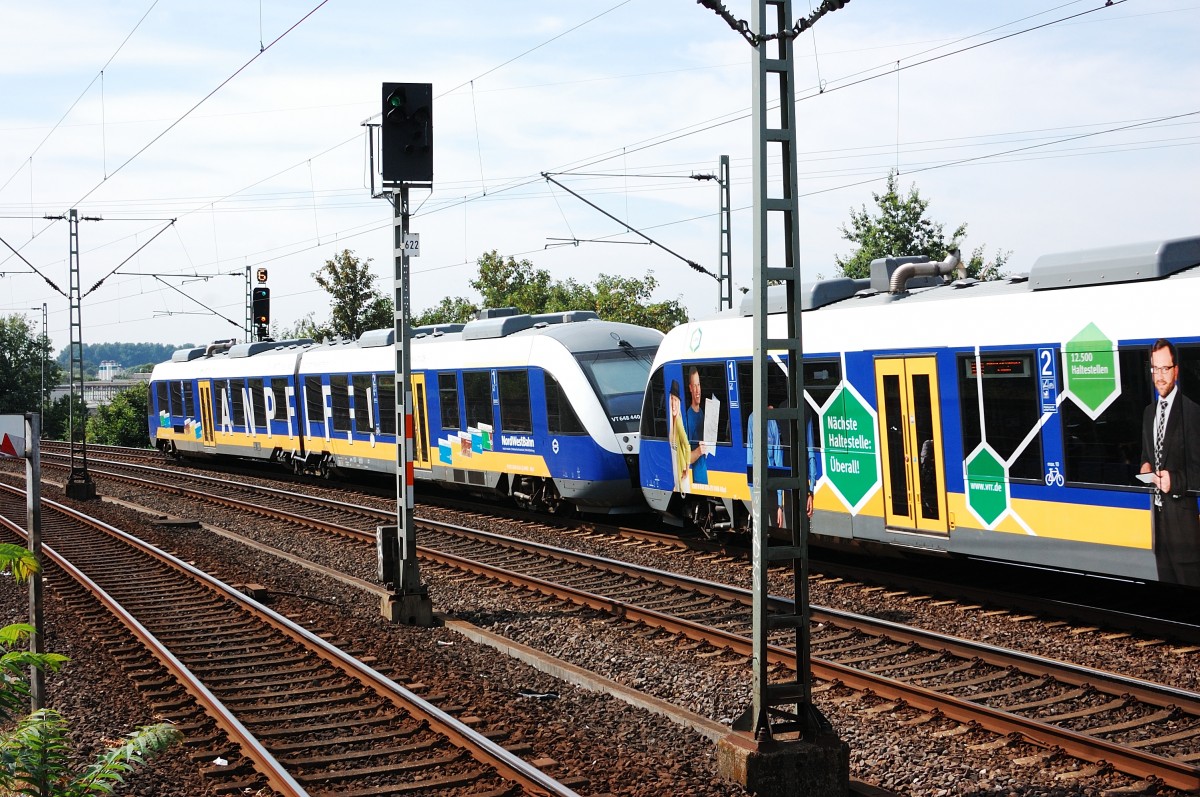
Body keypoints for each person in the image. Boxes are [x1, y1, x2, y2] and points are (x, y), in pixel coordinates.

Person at [1139, 339, 1200, 587]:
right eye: (1155, 369)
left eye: (1165, 368)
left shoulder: (1192, 413)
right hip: (1159, 527)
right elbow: (1147, 456)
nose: (1160, 376)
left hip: (1184, 530)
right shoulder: (1148, 413)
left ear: (1176, 370)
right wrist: (1145, 467)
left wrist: (1174, 480)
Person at [684, 366, 708, 485]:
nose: (698, 390)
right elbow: (685, 457)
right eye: (694, 386)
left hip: (704, 474)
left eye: (699, 385)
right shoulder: (688, 417)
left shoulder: (701, 412)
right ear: (690, 388)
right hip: (697, 479)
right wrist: (699, 451)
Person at [668, 379, 691, 493]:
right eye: (672, 399)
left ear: (679, 403)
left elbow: (687, 445)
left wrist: (687, 468)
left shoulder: (678, 422)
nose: (673, 403)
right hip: (676, 472)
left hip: (681, 473)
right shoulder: (672, 424)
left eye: (676, 400)